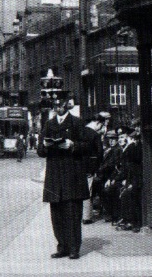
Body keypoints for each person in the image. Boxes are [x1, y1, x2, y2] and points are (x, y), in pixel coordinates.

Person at [37, 95, 93, 260]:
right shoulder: (48, 124)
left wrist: (73, 145)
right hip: (54, 175)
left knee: (72, 213)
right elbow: (40, 150)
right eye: (55, 105)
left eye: (60, 104)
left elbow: (89, 146)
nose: (58, 107)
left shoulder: (77, 123)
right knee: (57, 214)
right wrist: (45, 146)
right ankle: (62, 246)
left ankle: (74, 248)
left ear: (67, 105)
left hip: (72, 175)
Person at [82, 112, 109, 224]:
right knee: (87, 192)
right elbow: (99, 153)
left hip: (77, 167)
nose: (102, 128)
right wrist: (96, 169)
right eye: (102, 125)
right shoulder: (94, 135)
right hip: (89, 169)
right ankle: (86, 217)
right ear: (98, 123)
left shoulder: (80, 131)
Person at [115, 127, 143, 232]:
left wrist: (130, 144)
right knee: (125, 193)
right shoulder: (132, 147)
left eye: (134, 138)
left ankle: (134, 222)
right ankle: (127, 219)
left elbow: (131, 158)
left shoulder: (136, 147)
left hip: (137, 179)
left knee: (130, 195)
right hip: (132, 177)